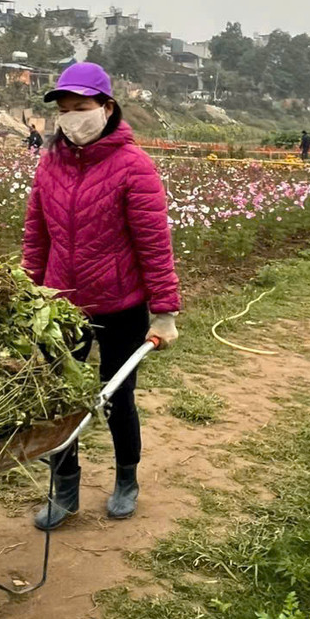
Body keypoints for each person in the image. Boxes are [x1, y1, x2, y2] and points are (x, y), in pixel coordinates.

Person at [22, 61, 180, 529]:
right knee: (58, 400)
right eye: (64, 110)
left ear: (107, 108)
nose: (71, 118)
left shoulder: (134, 166)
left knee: (116, 397)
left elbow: (154, 243)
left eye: (81, 107)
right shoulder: (50, 162)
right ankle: (65, 489)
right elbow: (36, 233)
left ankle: (126, 480)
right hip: (60, 307)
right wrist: (30, 290)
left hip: (121, 306)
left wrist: (165, 311)